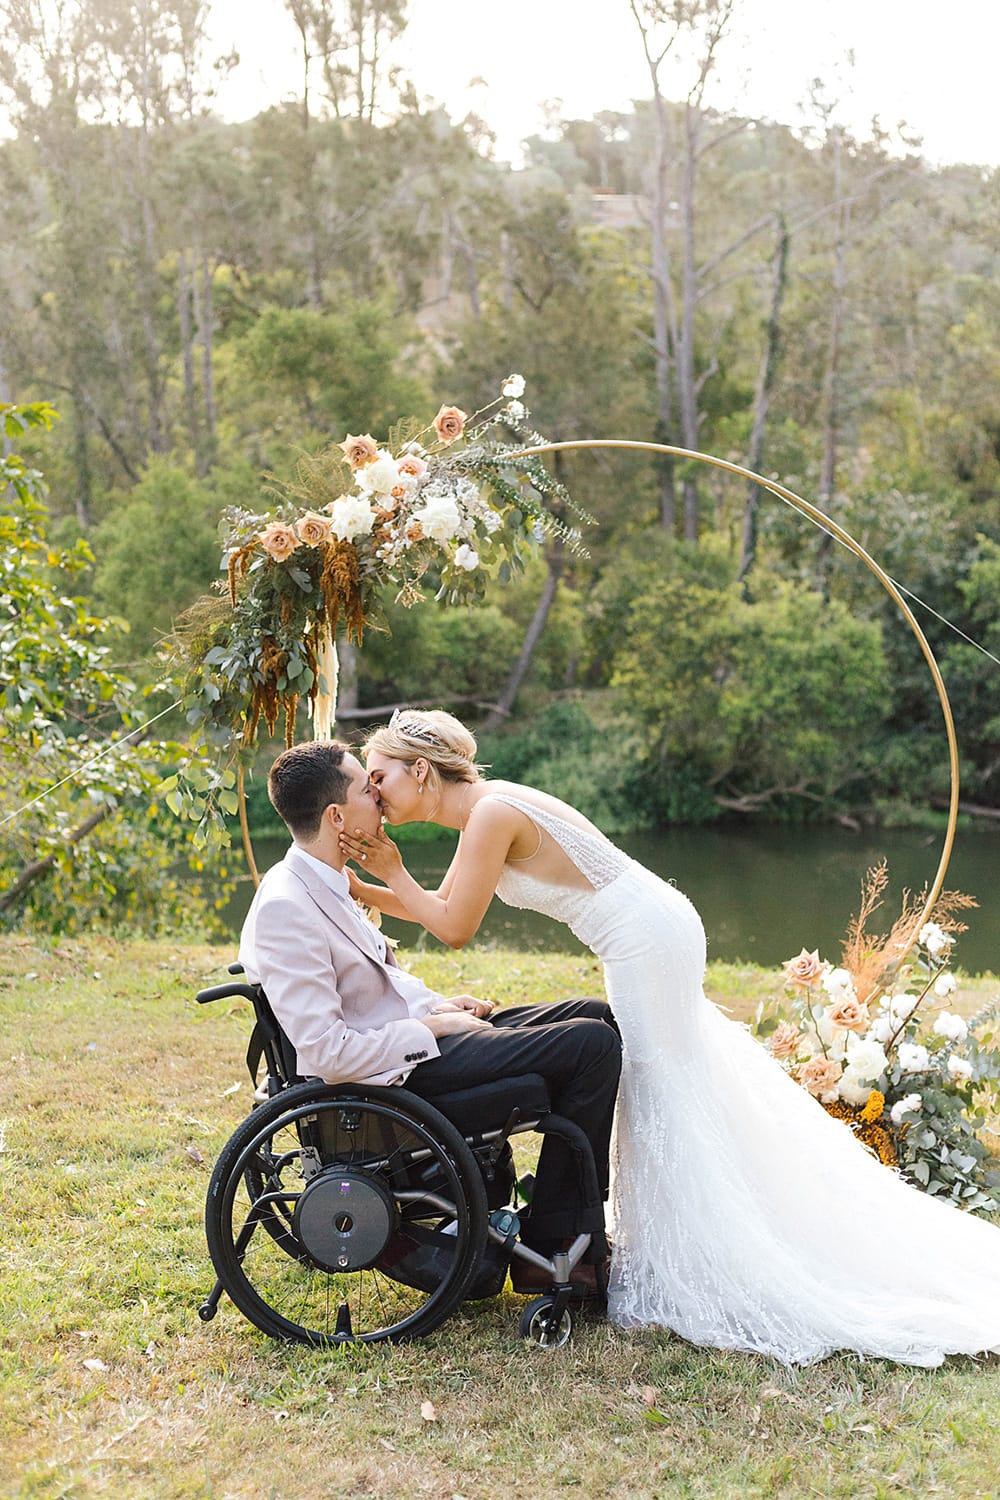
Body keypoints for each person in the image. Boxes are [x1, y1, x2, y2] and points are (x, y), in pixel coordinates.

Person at [341, 708, 1000, 1368]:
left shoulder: (489, 815)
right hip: (653, 927)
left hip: (645, 941)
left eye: (380, 777)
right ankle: (680, 1235)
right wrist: (355, 886)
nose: (374, 794)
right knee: (675, 1081)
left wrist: (389, 872)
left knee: (658, 1084)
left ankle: (702, 1250)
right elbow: (443, 905)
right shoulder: (484, 809)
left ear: (420, 769)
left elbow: (454, 928)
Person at [238, 738, 621, 1298]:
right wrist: (430, 1030)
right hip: (395, 1077)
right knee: (590, 1046)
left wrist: (440, 1006)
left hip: (412, 1046)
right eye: (367, 789)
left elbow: (378, 985)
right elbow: (325, 1051)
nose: (380, 798)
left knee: (595, 1015)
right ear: (337, 816)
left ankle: (559, 1224)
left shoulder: (326, 880)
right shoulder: (286, 906)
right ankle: (556, 1245)